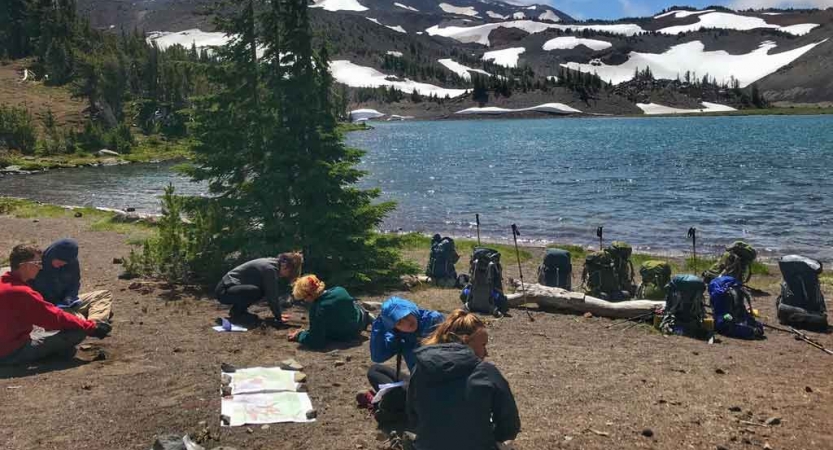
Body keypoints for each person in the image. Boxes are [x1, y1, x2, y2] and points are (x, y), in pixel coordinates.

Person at [407, 309, 520, 450]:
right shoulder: (486, 372)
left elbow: (413, 417)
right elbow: (510, 426)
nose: (486, 353)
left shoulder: (420, 369)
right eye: (483, 345)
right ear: (466, 341)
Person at [1, 244, 111, 366]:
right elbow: (53, 317)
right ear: (25, 266)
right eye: (37, 263)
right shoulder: (21, 292)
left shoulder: (4, 283)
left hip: (7, 342)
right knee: (78, 331)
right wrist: (90, 327)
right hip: (12, 352)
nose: (40, 267)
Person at [365, 298, 444, 394]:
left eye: (406, 315)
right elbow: (378, 356)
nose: (407, 322)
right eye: (399, 322)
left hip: (442, 383)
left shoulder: (433, 321)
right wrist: (379, 324)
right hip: (419, 383)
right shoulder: (400, 336)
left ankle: (386, 402)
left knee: (394, 397)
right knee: (375, 370)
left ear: (412, 310)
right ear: (395, 328)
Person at [32, 238, 113, 322]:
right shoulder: (36, 264)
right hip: (49, 307)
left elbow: (74, 283)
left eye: (65, 262)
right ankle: (90, 320)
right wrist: (54, 302)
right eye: (59, 261)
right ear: (52, 254)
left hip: (66, 303)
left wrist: (70, 297)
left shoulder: (71, 262)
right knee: (76, 320)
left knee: (104, 294)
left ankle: (95, 322)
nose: (62, 264)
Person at [215, 252, 303, 324]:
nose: (286, 276)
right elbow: (272, 295)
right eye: (289, 272)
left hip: (231, 288)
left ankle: (238, 312)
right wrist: (278, 317)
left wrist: (278, 314)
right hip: (224, 291)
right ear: (285, 266)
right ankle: (238, 313)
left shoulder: (273, 263)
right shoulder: (270, 269)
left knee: (259, 291)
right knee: (255, 291)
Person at [287, 275, 371, 349]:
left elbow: (316, 342)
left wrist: (300, 335)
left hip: (347, 335)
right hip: (360, 322)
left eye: (304, 298)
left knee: (322, 326)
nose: (305, 301)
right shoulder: (339, 290)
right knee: (355, 304)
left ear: (310, 295)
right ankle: (369, 317)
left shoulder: (318, 308)